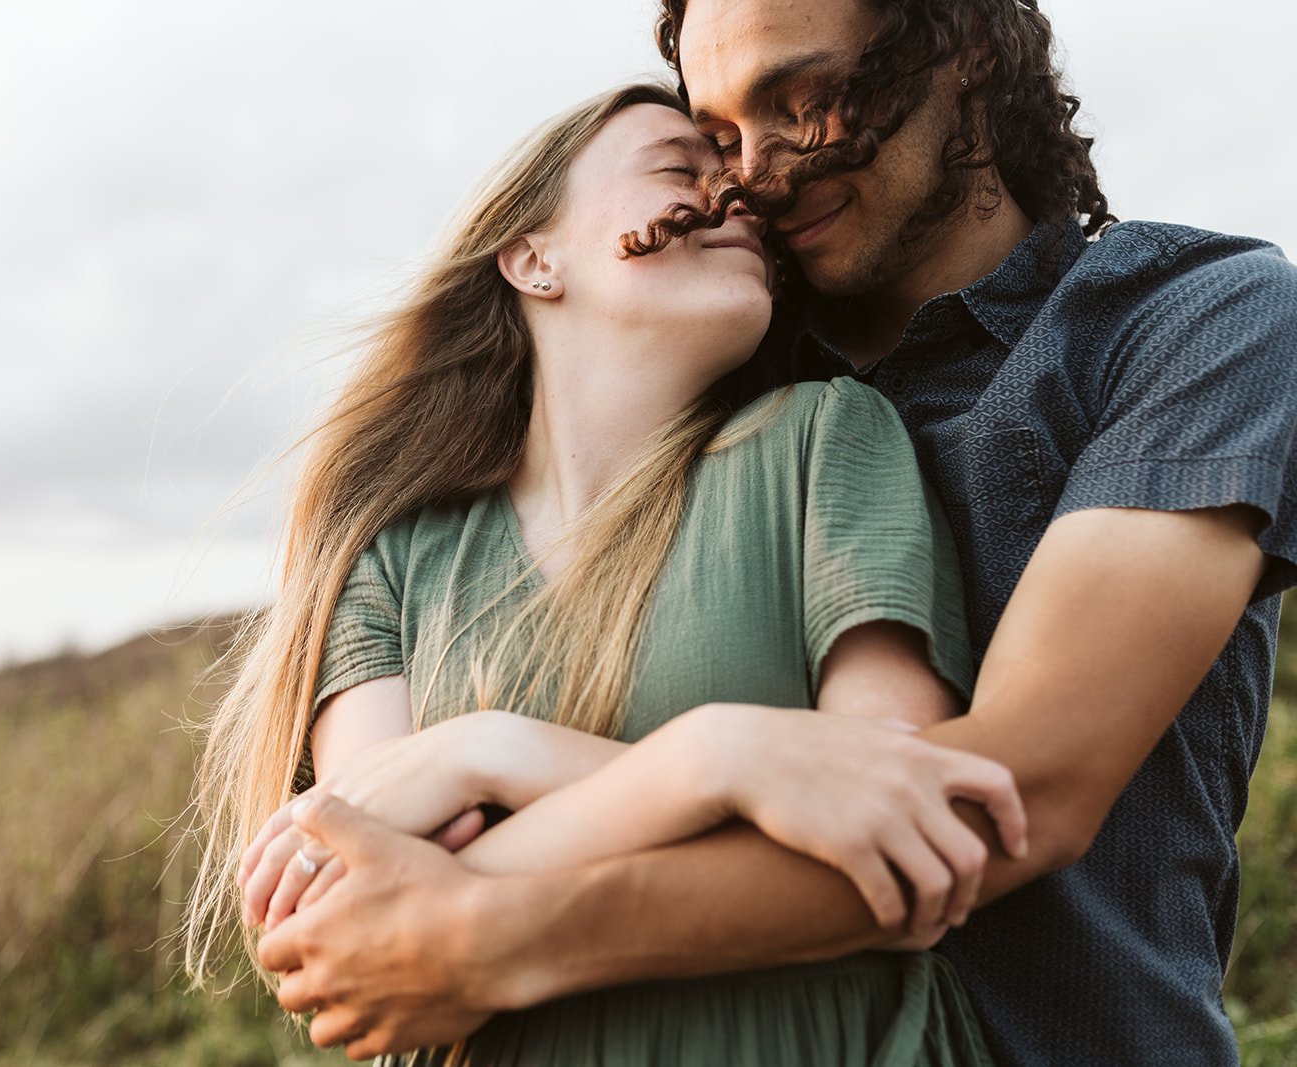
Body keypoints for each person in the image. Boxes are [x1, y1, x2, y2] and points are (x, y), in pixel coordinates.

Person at [249, 2, 1297, 1066]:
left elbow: (1013, 793)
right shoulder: (716, 363)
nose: (753, 174)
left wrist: (486, 926)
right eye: (716, 136)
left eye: (802, 99)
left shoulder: (1189, 319)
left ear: (966, 50)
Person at [183, 82, 1035, 1064]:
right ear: (533, 258)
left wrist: (483, 758)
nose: (732, 195)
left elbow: (895, 815)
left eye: (736, 184)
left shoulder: (824, 441)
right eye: (679, 167)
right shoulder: (395, 556)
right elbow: (352, 909)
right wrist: (718, 764)